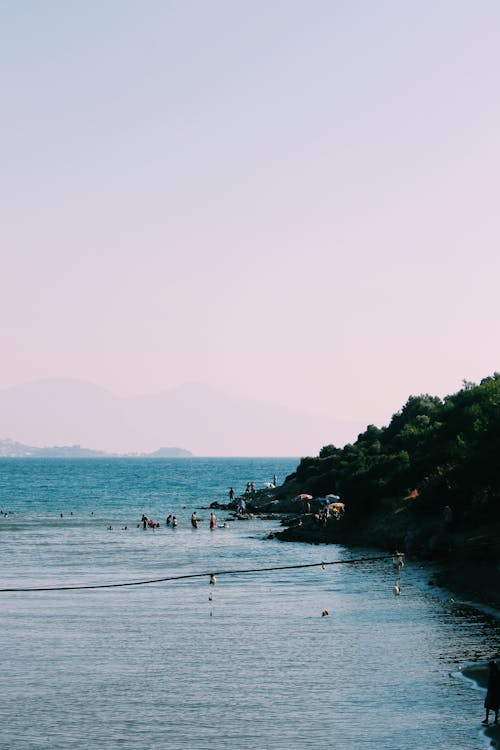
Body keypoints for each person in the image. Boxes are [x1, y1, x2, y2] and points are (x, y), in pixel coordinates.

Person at [483, 660, 500, 725]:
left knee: (495, 705)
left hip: (495, 691)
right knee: (489, 705)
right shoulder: (493, 672)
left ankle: (495, 719)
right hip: (491, 690)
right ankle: (487, 718)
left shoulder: (497, 673)